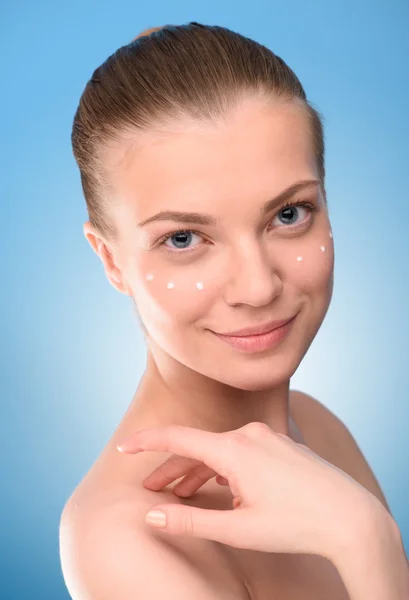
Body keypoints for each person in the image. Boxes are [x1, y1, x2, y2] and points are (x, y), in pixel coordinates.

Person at [59, 22, 408, 599]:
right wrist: (366, 540)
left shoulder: (318, 427)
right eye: (183, 239)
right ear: (111, 261)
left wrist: (365, 539)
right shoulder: (126, 539)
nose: (257, 286)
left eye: (290, 214)